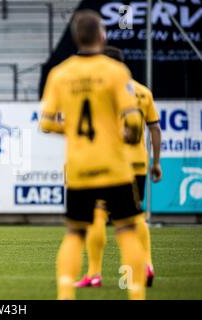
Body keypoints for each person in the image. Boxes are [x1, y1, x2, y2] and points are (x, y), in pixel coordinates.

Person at [39, 10, 146, 300]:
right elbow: (134, 121)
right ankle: (136, 295)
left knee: (75, 232)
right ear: (102, 35)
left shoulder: (60, 73)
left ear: (75, 37)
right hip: (114, 164)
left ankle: (65, 294)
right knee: (127, 229)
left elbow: (46, 122)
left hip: (79, 166)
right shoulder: (115, 71)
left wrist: (70, 129)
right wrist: (129, 136)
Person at [74, 46, 162, 289]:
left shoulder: (100, 91)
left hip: (107, 163)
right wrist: (156, 162)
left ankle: (94, 274)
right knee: (135, 216)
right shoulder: (144, 93)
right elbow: (154, 128)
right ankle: (146, 264)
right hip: (137, 165)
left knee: (97, 215)